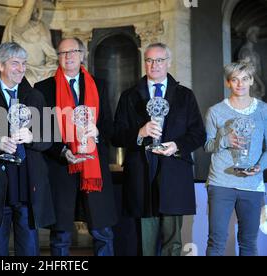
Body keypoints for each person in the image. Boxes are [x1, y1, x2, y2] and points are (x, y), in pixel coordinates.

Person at [112, 42, 206, 256]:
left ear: (168, 63)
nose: (154, 64)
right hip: (141, 174)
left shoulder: (185, 95)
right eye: (149, 60)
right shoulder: (129, 96)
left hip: (174, 171)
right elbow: (116, 135)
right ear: (144, 63)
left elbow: (198, 134)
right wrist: (140, 133)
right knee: (145, 243)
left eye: (159, 60)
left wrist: (177, 146)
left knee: (173, 243)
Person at [0, 42, 55, 256]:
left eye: (24, 63)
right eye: (15, 63)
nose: (21, 68)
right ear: (0, 65)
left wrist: (31, 137)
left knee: (28, 250)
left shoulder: (34, 96)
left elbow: (50, 138)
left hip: (27, 183)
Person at [34, 37, 117, 256]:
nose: (68, 56)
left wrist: (98, 132)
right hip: (62, 168)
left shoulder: (100, 85)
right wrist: (62, 151)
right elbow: (41, 132)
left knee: (103, 231)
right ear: (58, 58)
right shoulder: (43, 88)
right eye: (63, 53)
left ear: (82, 55)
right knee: (61, 236)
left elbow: (110, 127)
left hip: (94, 166)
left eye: (73, 51)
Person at [204, 60, 267, 256]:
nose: (240, 84)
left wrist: (260, 166)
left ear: (251, 82)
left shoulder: (264, 110)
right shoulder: (215, 111)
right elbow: (207, 145)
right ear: (228, 83)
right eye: (234, 80)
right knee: (217, 241)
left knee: (249, 242)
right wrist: (225, 139)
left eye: (245, 79)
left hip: (252, 183)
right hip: (221, 183)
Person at [2, 0, 58, 87]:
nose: (34, 10)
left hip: (42, 69)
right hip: (22, 68)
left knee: (55, 76)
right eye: (32, 7)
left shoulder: (42, 27)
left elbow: (51, 55)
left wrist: (50, 65)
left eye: (36, 7)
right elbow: (22, 18)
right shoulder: (16, 25)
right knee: (25, 77)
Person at [238, 26, 265, 100]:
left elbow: (259, 71)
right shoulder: (244, 52)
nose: (257, 36)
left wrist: (260, 85)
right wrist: (262, 85)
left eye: (257, 34)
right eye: (254, 33)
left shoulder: (255, 54)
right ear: (248, 35)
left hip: (256, 87)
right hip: (249, 88)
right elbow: (250, 70)